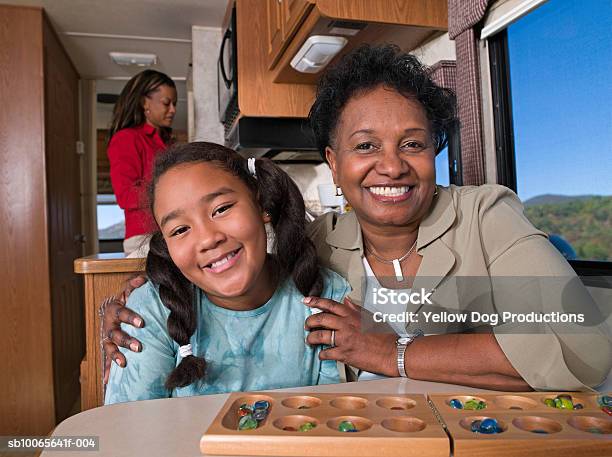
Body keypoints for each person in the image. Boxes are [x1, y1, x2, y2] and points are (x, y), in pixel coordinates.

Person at [102, 45, 611, 392]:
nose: (391, 165)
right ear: (333, 161)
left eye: (412, 143)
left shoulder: (485, 215)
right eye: (366, 146)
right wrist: (144, 293)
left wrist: (390, 353)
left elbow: (581, 346)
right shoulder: (320, 244)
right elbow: (231, 263)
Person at [104, 142, 349, 403]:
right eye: (179, 230)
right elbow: (131, 433)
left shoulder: (326, 294)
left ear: (261, 203)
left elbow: (332, 424)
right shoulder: (149, 311)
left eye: (221, 209)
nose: (208, 239)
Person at [107, 70, 177, 256]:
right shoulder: (126, 139)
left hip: (170, 232)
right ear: (144, 102)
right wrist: (170, 191)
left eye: (174, 104)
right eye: (166, 103)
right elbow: (126, 195)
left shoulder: (167, 143)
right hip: (144, 238)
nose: (173, 110)